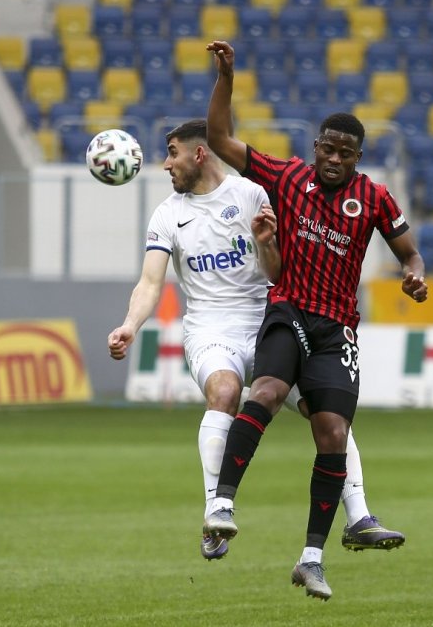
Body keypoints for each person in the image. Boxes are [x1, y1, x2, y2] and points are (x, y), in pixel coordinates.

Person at [108, 119, 405, 564]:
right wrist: (131, 324)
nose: (166, 163)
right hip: (210, 330)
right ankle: (216, 513)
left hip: (271, 320)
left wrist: (269, 246)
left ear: (199, 153)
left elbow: (280, 268)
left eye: (172, 152)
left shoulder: (253, 194)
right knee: (225, 392)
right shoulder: (168, 214)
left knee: (327, 414)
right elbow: (151, 282)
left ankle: (359, 515)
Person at [202, 41, 429, 601]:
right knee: (268, 390)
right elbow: (219, 139)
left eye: (347, 153)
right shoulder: (285, 177)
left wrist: (414, 273)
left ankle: (311, 558)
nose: (335, 159)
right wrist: (226, 78)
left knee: (333, 433)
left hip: (337, 330)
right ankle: (223, 503)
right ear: (316, 147)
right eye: (329, 148)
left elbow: (409, 252)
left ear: (358, 158)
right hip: (289, 312)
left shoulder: (374, 198)